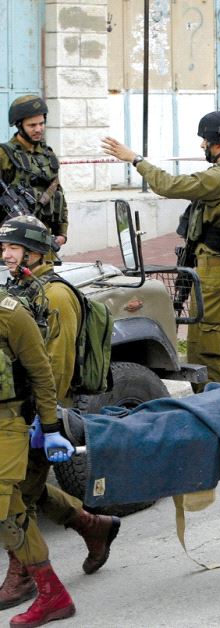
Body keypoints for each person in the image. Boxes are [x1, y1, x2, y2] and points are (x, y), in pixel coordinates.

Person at [101, 112, 220, 392]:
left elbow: (168, 185)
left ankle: (215, 410)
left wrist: (135, 159)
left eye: (205, 140)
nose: (202, 146)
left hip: (217, 272)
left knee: (206, 351)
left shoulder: (219, 177)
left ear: (218, 142)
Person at [0, 216, 120, 613]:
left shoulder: (55, 296)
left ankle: (24, 577)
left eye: (13, 248)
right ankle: (92, 525)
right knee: (24, 490)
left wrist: (44, 420)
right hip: (24, 409)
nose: (6, 254)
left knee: (17, 498)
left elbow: (55, 364)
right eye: (4, 248)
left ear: (36, 252)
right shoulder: (23, 287)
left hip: (41, 412)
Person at [0, 281, 77, 626]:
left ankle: (52, 594)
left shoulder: (10, 316)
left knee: (6, 509)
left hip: (9, 422)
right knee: (13, 507)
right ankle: (93, 526)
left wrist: (49, 428)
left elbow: (42, 373)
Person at [0, 96, 68, 247]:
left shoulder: (48, 155)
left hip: (44, 241)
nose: (38, 129)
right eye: (32, 125)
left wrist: (62, 233)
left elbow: (59, 195)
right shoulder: (4, 154)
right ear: (19, 126)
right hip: (12, 244)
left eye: (41, 123)